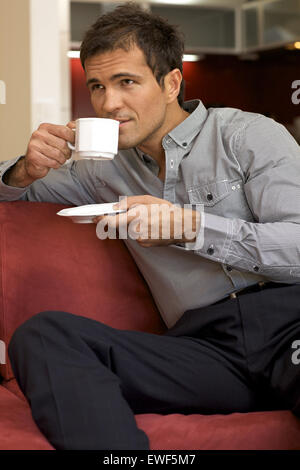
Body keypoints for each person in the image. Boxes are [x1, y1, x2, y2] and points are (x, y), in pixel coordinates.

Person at [1, 3, 300, 450]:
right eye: (97, 86)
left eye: (127, 82)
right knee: (44, 335)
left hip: (287, 325)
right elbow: (14, 192)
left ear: (171, 83)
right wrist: (25, 169)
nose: (108, 103)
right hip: (206, 352)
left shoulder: (246, 135)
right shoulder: (101, 171)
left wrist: (192, 227)